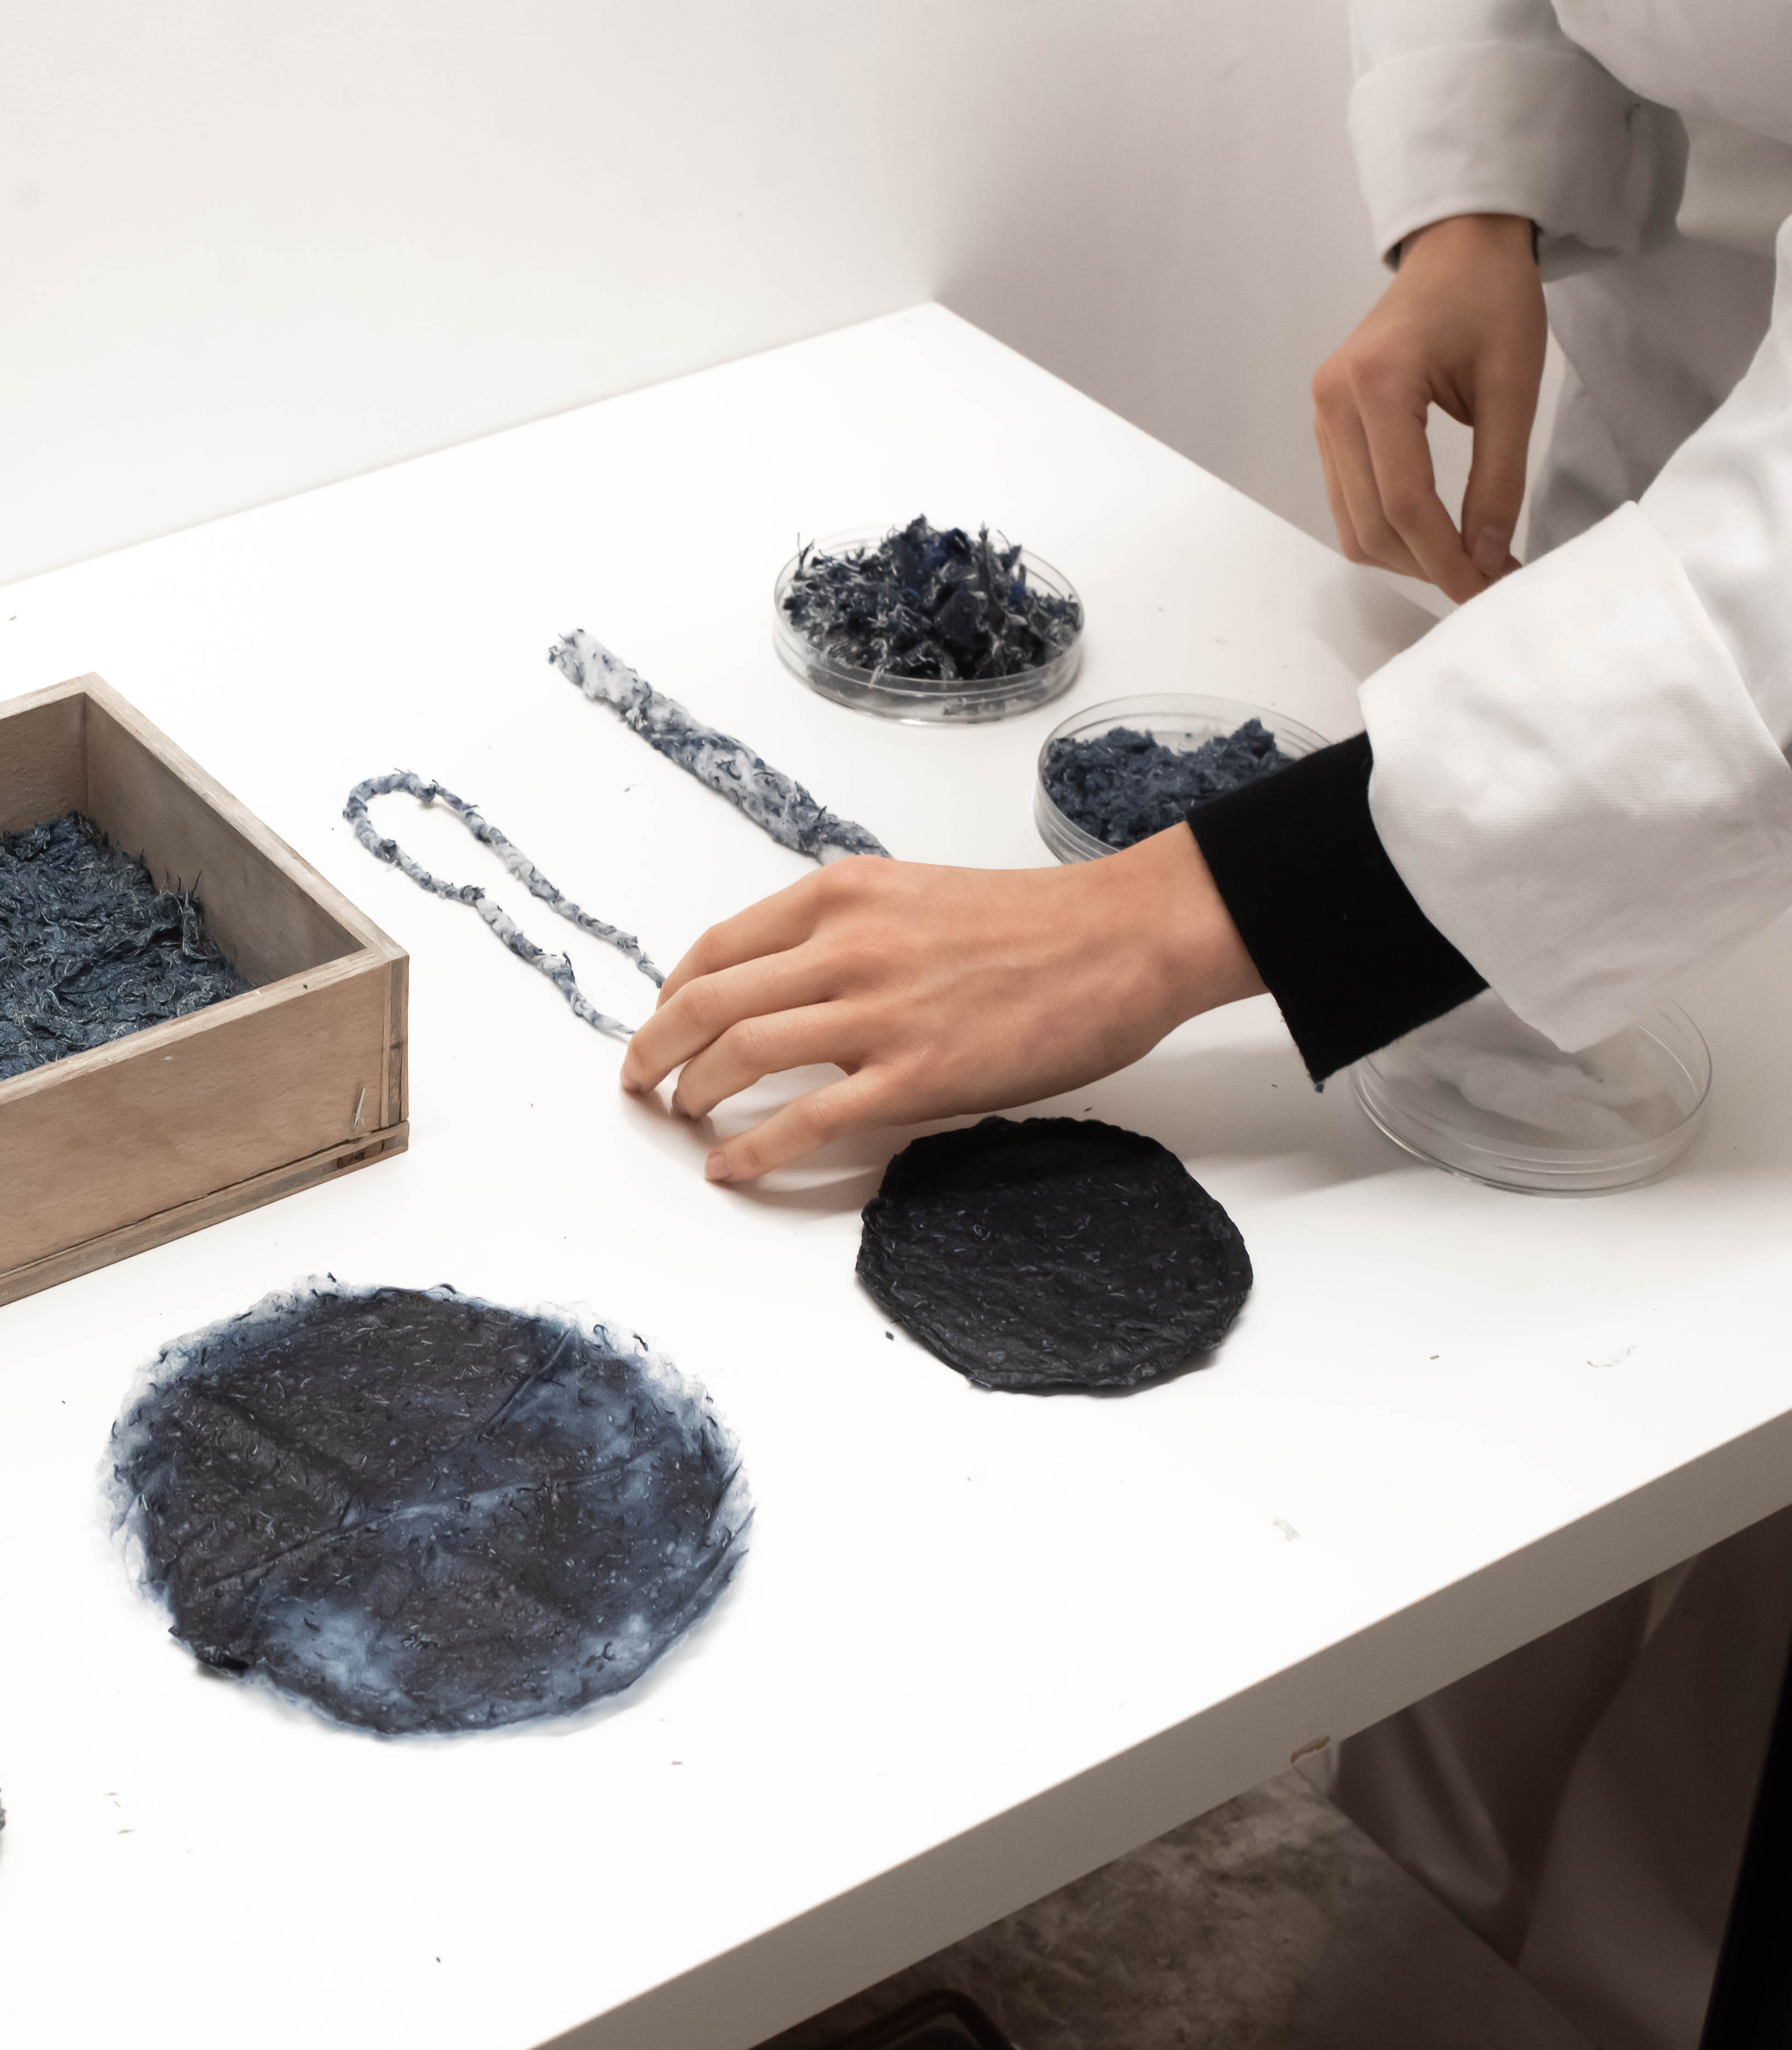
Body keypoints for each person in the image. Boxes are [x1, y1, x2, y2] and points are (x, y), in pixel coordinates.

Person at [619, 7, 1792, 2043]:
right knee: (1501, 1495)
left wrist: (1169, 918)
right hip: (1684, 448)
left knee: (1726, 1657)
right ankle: (1407, 1933)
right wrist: (1477, 197)